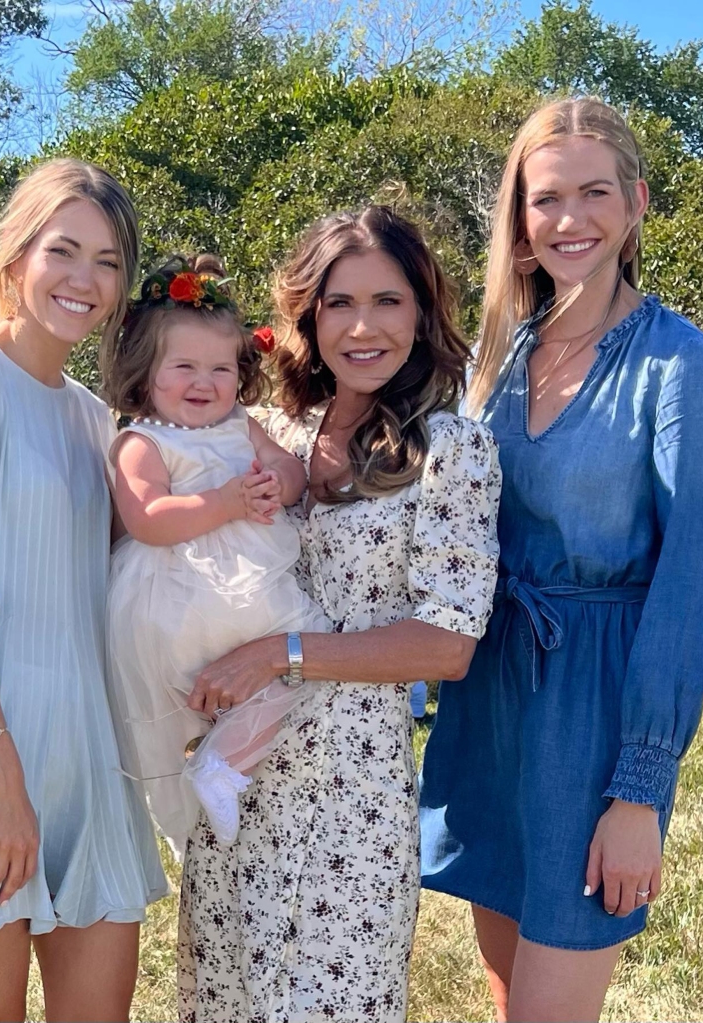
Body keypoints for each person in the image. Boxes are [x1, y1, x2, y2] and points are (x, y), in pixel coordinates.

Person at [419, 97, 703, 1023]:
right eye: (546, 197)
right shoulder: (495, 355)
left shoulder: (683, 363)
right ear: (520, 217)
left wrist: (639, 788)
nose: (571, 219)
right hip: (489, 703)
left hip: (591, 712)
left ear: (635, 203)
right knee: (511, 995)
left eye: (595, 193)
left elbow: (694, 577)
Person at [175, 205, 502, 1023]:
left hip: (348, 798)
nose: (364, 326)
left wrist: (278, 652)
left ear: (423, 311)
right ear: (308, 314)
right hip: (238, 787)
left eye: (388, 301)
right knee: (223, 1002)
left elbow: (449, 642)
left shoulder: (452, 449)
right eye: (339, 303)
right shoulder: (277, 430)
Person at [0, 159, 167, 1023]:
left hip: (88, 764)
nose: (84, 279)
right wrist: (1, 777)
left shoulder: (96, 420)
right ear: (16, 257)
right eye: (63, 250)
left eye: (106, 261)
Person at [102, 255, 331, 852]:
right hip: (183, 595)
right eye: (183, 366)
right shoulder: (142, 440)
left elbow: (291, 470)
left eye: (220, 368)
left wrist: (278, 484)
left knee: (297, 664)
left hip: (237, 594)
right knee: (301, 641)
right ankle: (196, 790)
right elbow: (146, 518)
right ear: (146, 372)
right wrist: (227, 502)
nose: (204, 382)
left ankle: (217, 772)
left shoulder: (240, 424)